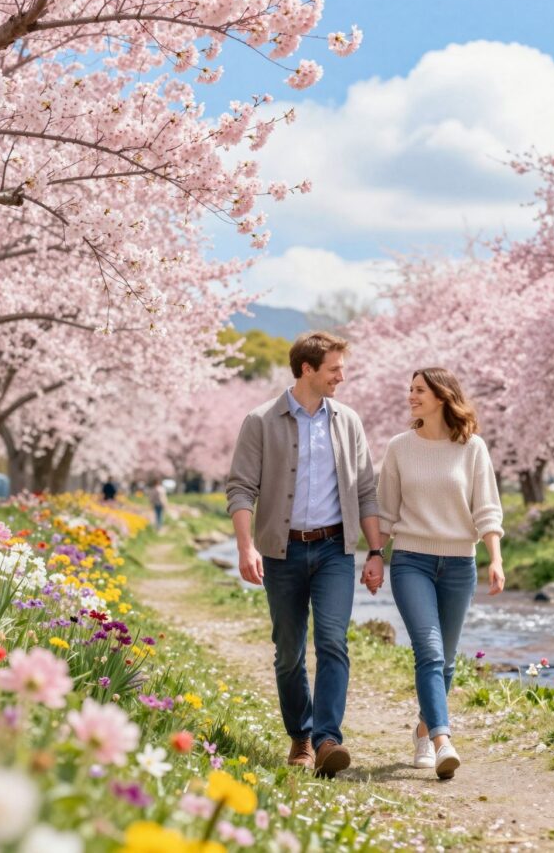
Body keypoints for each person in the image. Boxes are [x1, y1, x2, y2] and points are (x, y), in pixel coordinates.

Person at [226, 331, 382, 779]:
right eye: (334, 368)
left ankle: (328, 739)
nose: (342, 375)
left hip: (335, 549)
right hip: (282, 551)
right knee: (289, 650)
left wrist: (375, 551)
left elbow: (366, 491)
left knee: (333, 641)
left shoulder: (348, 421)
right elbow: (240, 487)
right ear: (307, 369)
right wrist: (245, 545)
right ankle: (301, 735)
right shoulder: (261, 421)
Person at [363, 367, 504, 780]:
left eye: (419, 390)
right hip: (411, 561)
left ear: (442, 396)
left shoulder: (472, 448)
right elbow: (385, 510)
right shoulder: (399, 448)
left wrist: (494, 559)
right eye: (409, 389)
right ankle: (443, 740)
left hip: (460, 563)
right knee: (430, 650)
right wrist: (375, 554)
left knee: (446, 663)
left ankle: (423, 729)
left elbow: (487, 508)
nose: (411, 396)